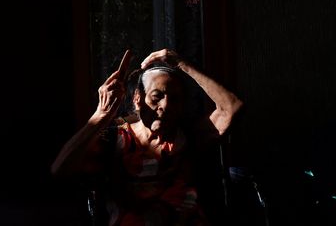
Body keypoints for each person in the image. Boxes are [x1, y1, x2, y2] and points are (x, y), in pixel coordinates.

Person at [51, 49, 243, 226]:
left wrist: (181, 64)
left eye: (175, 99)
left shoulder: (189, 136)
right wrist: (101, 115)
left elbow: (231, 107)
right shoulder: (114, 139)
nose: (166, 106)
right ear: (137, 99)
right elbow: (60, 169)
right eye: (156, 96)